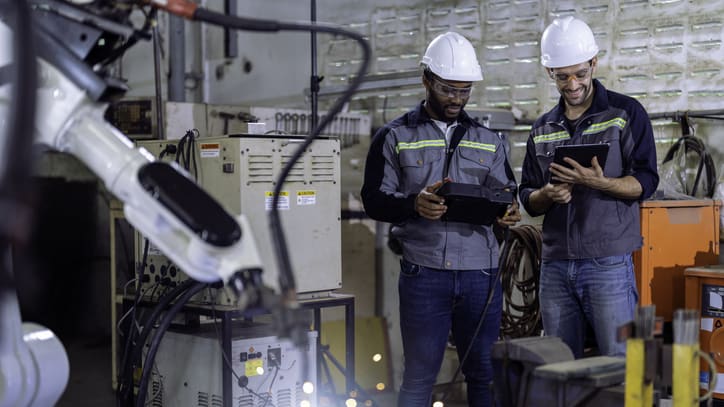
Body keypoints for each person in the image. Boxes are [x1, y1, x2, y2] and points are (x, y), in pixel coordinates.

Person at [361, 31, 521, 407]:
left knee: (483, 372)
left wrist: (508, 213)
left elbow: (507, 195)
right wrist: (413, 204)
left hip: (480, 274)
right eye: (449, 89)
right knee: (419, 377)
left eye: (465, 91)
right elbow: (374, 200)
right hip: (424, 271)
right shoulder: (394, 136)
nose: (457, 99)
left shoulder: (489, 140)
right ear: (427, 80)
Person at [518, 16, 659, 358]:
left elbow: (647, 181)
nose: (572, 84)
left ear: (594, 63)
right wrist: (546, 195)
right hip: (555, 265)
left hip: (608, 263)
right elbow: (527, 196)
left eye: (580, 73)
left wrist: (601, 183)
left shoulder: (625, 113)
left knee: (620, 364)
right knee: (562, 369)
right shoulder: (542, 127)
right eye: (562, 76)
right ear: (550, 73)